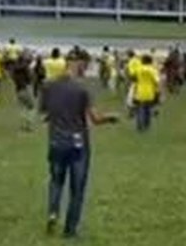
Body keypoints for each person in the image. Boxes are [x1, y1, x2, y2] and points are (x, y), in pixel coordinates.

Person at [40, 57, 117, 238]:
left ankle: (53, 212)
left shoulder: (49, 87)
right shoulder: (82, 89)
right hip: (78, 143)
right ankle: (70, 229)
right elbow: (95, 119)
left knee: (56, 181)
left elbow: (44, 112)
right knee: (77, 188)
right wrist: (111, 118)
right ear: (80, 70)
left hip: (56, 141)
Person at [129, 54, 161, 132]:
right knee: (148, 110)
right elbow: (157, 81)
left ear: (143, 61)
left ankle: (139, 126)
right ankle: (147, 126)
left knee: (139, 110)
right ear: (150, 61)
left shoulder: (138, 69)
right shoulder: (153, 70)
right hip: (150, 93)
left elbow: (133, 78)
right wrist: (158, 92)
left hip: (139, 92)